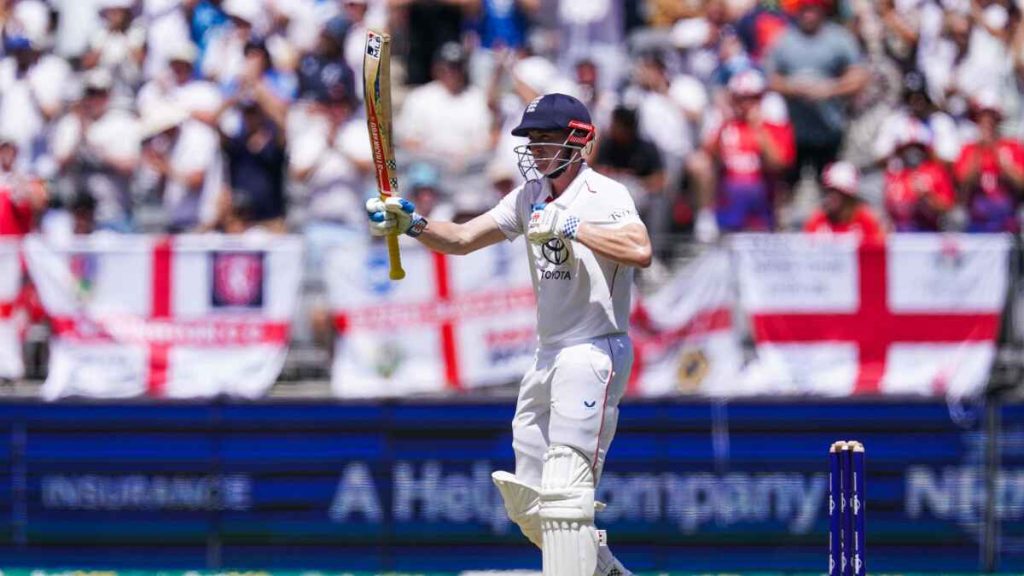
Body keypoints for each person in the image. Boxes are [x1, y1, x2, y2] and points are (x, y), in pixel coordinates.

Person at [366, 93, 649, 576]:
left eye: (545, 139)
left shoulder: (605, 194)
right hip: (548, 355)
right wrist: (411, 224)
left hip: (593, 348)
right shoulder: (529, 197)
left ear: (577, 140)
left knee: (565, 493)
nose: (535, 149)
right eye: (531, 140)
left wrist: (574, 226)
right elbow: (460, 239)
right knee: (529, 500)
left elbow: (639, 249)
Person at [954, 92, 1024, 233]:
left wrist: (1000, 158)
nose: (987, 122)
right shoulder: (968, 149)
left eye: (991, 117)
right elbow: (963, 185)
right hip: (977, 219)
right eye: (983, 117)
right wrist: (979, 153)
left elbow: (1021, 183)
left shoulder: (1013, 146)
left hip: (1007, 218)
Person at [882, 119, 955, 232]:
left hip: (928, 233)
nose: (913, 152)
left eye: (917, 147)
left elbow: (948, 207)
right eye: (909, 147)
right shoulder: (893, 174)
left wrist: (927, 197)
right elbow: (889, 210)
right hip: (899, 234)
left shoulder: (936, 172)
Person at [804, 161, 885, 241]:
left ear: (848, 196)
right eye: (827, 191)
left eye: (835, 192)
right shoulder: (818, 220)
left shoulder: (866, 220)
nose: (829, 197)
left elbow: (877, 247)